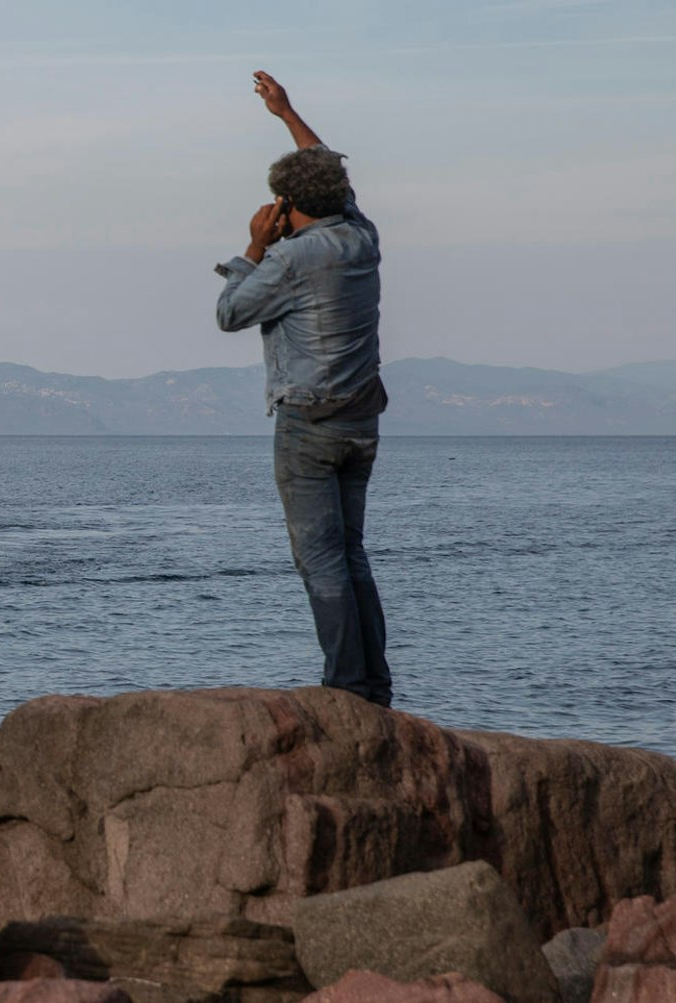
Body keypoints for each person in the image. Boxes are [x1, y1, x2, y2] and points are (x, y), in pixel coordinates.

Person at [215, 70, 391, 707]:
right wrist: (287, 115)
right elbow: (330, 175)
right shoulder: (361, 237)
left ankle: (345, 688)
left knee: (320, 559)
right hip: (361, 420)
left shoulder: (291, 259)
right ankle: (373, 687)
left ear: (290, 206)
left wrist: (253, 247)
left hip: (309, 424)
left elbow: (230, 314)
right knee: (351, 554)